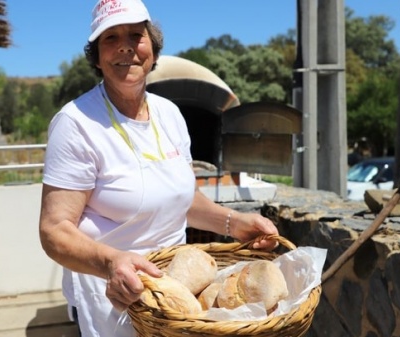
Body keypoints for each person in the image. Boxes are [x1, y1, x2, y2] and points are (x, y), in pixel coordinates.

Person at [38, 0, 280, 336]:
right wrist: (111, 263)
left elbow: (182, 199)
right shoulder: (76, 124)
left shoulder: (169, 114)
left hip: (176, 290)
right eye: (110, 38)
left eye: (136, 35)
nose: (126, 46)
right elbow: (54, 230)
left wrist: (234, 222)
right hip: (112, 295)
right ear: (96, 56)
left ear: (152, 47)